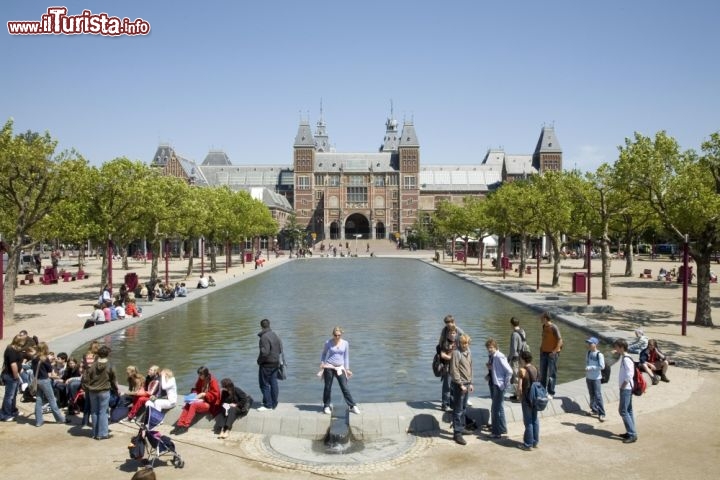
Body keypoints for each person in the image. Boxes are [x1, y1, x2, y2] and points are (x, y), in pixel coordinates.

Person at [319, 326, 360, 415]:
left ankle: (352, 406)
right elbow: (324, 354)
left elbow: (346, 357)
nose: (337, 337)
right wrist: (322, 362)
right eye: (335, 335)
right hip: (329, 367)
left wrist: (347, 368)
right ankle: (326, 406)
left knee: (344, 387)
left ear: (341, 335)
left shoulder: (345, 343)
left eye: (339, 335)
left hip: (340, 368)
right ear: (332, 334)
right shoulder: (328, 343)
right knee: (327, 387)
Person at [83, 345, 119, 440]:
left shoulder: (93, 365)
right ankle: (102, 434)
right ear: (108, 354)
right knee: (103, 412)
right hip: (104, 391)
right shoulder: (110, 365)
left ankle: (95, 433)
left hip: (92, 391)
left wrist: (87, 387)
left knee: (94, 412)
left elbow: (87, 377)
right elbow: (114, 379)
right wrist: (116, 390)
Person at [172, 366, 221, 434]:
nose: (199, 376)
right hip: (200, 400)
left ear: (205, 374)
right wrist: (193, 395)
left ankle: (186, 426)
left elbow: (216, 395)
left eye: (201, 375)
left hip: (209, 404)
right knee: (188, 403)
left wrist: (204, 394)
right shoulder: (200, 379)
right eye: (199, 374)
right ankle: (179, 424)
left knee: (193, 405)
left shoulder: (213, 381)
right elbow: (197, 389)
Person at [31, 342, 66, 426]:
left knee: (39, 400)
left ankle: (39, 421)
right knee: (52, 399)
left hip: (37, 381)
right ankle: (60, 419)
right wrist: (50, 361)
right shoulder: (44, 358)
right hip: (44, 380)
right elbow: (49, 370)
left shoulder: (34, 357)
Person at [485, 337, 512, 439]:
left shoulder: (499, 356)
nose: (489, 349)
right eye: (488, 347)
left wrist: (504, 384)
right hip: (495, 383)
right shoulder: (493, 356)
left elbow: (509, 371)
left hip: (498, 385)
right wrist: (490, 369)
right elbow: (498, 370)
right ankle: (502, 428)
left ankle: (496, 433)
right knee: (499, 407)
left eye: (491, 347)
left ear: (495, 347)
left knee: (495, 409)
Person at [449, 333, 473, 445]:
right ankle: (457, 433)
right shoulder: (456, 353)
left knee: (464, 407)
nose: (466, 345)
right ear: (459, 343)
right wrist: (460, 384)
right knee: (458, 409)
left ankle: (462, 427)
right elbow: (454, 370)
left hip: (467, 383)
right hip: (459, 385)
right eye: (464, 343)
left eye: (467, 343)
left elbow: (470, 367)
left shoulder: (468, 352)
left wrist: (471, 382)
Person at [613, 338, 637, 443]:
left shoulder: (626, 359)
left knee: (622, 411)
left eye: (617, 347)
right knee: (628, 410)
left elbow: (630, 374)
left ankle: (632, 434)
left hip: (626, 388)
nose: (615, 349)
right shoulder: (625, 357)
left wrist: (623, 385)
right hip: (628, 388)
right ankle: (630, 431)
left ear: (622, 347)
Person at [257, 318, 283, 411]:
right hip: (276, 363)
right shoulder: (275, 335)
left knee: (264, 384)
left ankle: (268, 405)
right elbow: (280, 350)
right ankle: (274, 403)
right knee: (274, 383)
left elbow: (264, 353)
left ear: (261, 326)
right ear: (269, 325)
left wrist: (259, 361)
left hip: (266, 364)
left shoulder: (264, 337)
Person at [517, 350, 540, 450]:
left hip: (526, 398)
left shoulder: (522, 370)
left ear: (522, 359)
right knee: (535, 419)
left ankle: (527, 444)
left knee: (528, 421)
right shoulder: (535, 368)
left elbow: (519, 387)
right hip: (535, 397)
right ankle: (535, 442)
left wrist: (519, 396)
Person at [0, 335, 25, 421]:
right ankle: (5, 414)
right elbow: (13, 364)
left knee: (13, 395)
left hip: (14, 375)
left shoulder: (17, 349)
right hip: (10, 376)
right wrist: (16, 376)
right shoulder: (11, 350)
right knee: (9, 396)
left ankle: (13, 410)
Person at [538, 312, 563, 398]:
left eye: (541, 318)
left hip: (552, 354)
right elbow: (544, 338)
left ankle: (551, 392)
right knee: (542, 373)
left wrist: (554, 352)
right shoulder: (544, 326)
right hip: (544, 353)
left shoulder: (554, 327)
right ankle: (542, 390)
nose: (540, 319)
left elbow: (560, 341)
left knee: (552, 373)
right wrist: (541, 348)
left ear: (545, 318)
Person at [437, 324, 459, 412]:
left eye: (454, 333)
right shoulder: (445, 342)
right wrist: (450, 357)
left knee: (454, 386)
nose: (452, 335)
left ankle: (452, 404)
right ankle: (444, 404)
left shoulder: (457, 342)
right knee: (447, 386)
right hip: (447, 367)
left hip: (456, 368)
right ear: (448, 334)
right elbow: (442, 355)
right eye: (451, 333)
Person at [584, 337, 606, 422]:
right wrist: (587, 368)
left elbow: (602, 366)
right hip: (589, 377)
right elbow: (587, 362)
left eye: (590, 343)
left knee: (598, 396)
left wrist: (591, 367)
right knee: (591, 394)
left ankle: (602, 413)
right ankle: (594, 409)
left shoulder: (599, 354)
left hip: (596, 378)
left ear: (595, 344)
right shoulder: (588, 353)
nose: (589, 345)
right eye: (588, 343)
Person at [508, 316, 527, 400]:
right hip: (522, 357)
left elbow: (513, 349)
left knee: (515, 375)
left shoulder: (514, 334)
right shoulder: (522, 331)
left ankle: (518, 395)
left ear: (512, 324)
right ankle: (517, 394)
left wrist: (509, 358)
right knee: (521, 375)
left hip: (515, 357)